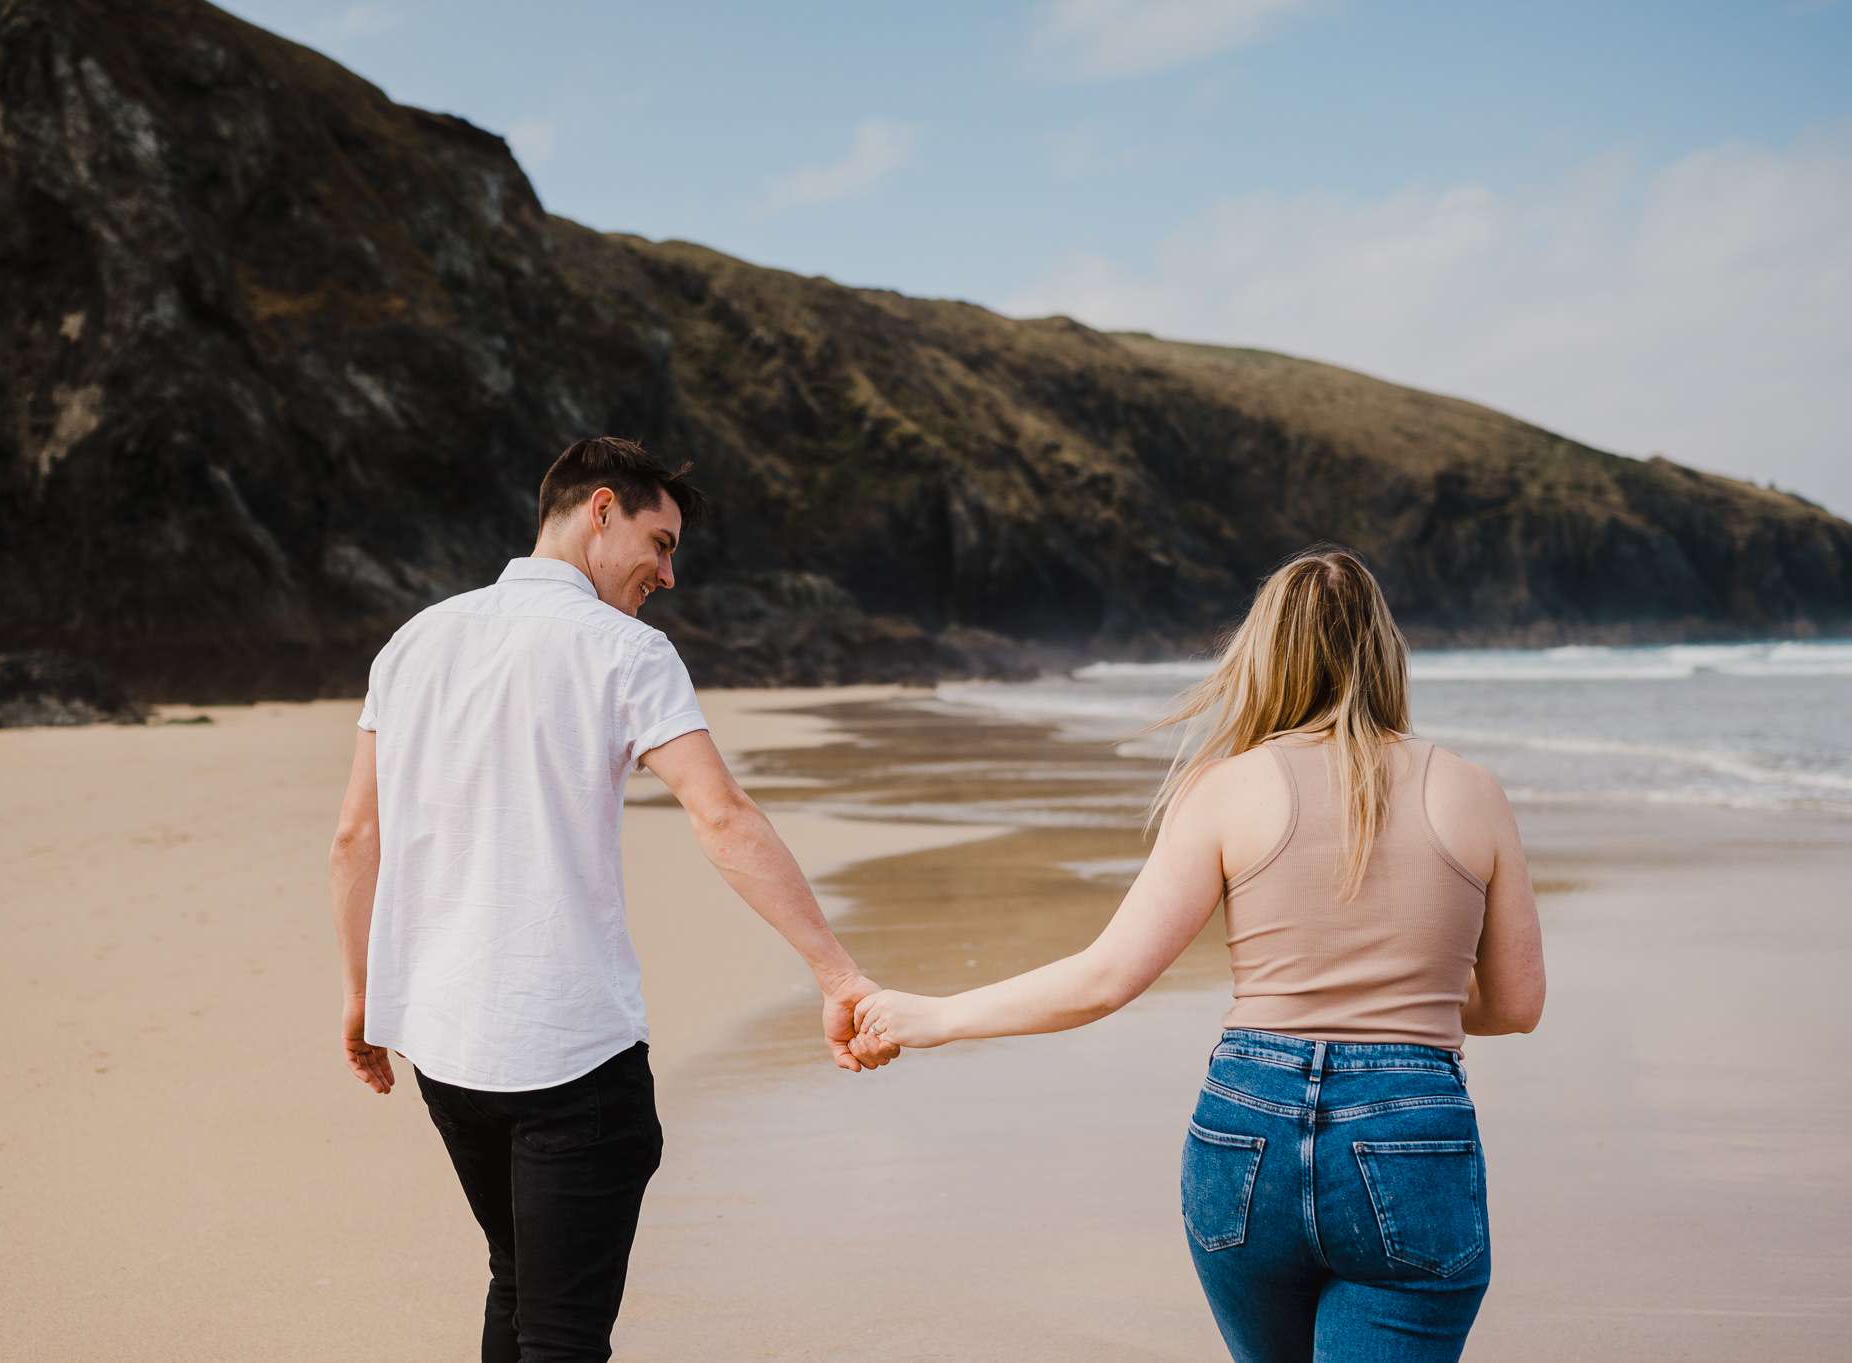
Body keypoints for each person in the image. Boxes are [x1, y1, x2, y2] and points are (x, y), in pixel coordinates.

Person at [856, 547, 1546, 1362]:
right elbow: (1514, 1004)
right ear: (1386, 652)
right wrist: (1415, 993)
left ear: (1264, 655)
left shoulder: (1226, 789)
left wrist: (931, 1015)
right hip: (1409, 1133)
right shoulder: (1472, 791)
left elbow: (1105, 978)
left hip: (1245, 1130)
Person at [327, 436, 896, 1363]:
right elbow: (721, 814)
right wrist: (836, 972)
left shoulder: (415, 641)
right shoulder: (626, 651)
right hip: (571, 1052)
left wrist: (362, 995)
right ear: (600, 509)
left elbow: (355, 834)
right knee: (562, 1330)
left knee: (516, 1279)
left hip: (442, 1043)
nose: (667, 574)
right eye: (660, 542)